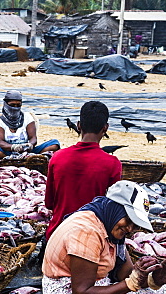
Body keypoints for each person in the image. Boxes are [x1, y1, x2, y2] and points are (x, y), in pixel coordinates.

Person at [42, 180, 166, 294]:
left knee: (161, 289)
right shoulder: (87, 231)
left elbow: (125, 274)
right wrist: (133, 283)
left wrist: (151, 279)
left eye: (134, 224)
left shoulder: (107, 224)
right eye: (128, 219)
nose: (129, 228)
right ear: (115, 207)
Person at [44, 101, 122, 239]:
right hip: (91, 238)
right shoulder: (112, 164)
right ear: (105, 128)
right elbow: (112, 211)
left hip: (57, 234)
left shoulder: (57, 157)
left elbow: (49, 203)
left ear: (79, 126)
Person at [0, 91, 60, 163]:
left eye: (18, 105)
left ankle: (29, 160)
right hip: (8, 153)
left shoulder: (27, 117)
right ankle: (14, 162)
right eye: (12, 105)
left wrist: (30, 145)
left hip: (28, 152)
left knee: (54, 143)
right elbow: (0, 142)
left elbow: (33, 137)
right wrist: (13, 147)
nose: (15, 108)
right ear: (6, 104)